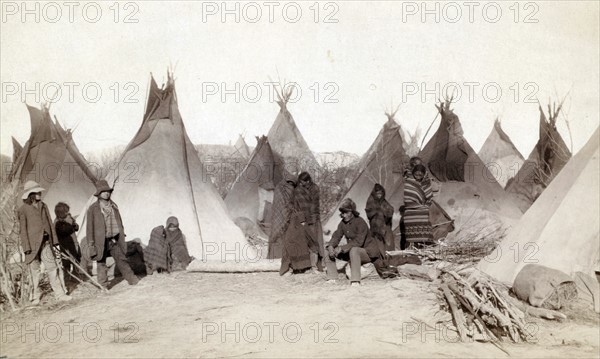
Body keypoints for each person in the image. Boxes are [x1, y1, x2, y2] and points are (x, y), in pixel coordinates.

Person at [18, 181, 71, 304]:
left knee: (52, 268)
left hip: (46, 243)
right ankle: (35, 297)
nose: (40, 193)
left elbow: (50, 225)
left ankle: (60, 294)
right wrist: (26, 247)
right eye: (37, 192)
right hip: (32, 246)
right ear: (31, 194)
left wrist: (55, 241)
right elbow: (23, 230)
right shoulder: (23, 210)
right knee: (34, 272)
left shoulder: (44, 206)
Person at [86, 180, 139, 289]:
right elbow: (89, 228)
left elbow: (119, 222)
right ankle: (103, 286)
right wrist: (91, 245)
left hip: (113, 240)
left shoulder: (114, 206)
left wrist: (121, 236)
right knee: (101, 263)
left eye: (108, 191)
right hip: (99, 241)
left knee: (121, 259)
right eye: (103, 191)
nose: (106, 193)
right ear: (99, 194)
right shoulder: (93, 209)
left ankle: (132, 279)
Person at [325, 198, 387, 286]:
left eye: (346, 212)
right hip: (351, 252)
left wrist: (341, 248)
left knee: (354, 250)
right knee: (327, 249)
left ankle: (355, 280)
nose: (343, 215)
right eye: (342, 213)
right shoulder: (342, 224)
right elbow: (336, 236)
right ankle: (332, 277)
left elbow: (358, 242)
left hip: (367, 253)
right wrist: (331, 246)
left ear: (352, 212)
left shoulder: (360, 222)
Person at [272, 173, 312, 275]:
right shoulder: (283, 189)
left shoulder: (285, 188)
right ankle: (290, 267)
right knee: (289, 241)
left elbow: (297, 206)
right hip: (285, 217)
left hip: (291, 218)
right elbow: (283, 206)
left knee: (296, 240)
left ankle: (299, 267)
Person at [292, 172, 325, 272]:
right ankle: (308, 266)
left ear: (308, 181)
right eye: (300, 182)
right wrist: (302, 219)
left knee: (316, 242)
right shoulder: (298, 190)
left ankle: (318, 265)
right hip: (303, 220)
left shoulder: (315, 188)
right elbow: (298, 207)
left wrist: (312, 218)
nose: (301, 184)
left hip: (314, 219)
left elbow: (314, 205)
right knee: (306, 243)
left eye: (303, 182)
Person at [402, 164, 434, 248]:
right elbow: (408, 196)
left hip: (422, 210)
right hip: (410, 210)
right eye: (416, 174)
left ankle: (423, 247)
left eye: (420, 175)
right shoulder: (409, 182)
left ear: (424, 174)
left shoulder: (426, 183)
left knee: (426, 216)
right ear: (413, 173)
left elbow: (429, 197)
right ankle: (413, 247)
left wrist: (425, 205)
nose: (418, 177)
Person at [54, 202, 81, 279]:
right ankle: (67, 278)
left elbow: (76, 228)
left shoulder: (69, 219)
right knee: (66, 262)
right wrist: (70, 222)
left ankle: (75, 277)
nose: (68, 213)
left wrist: (74, 224)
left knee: (77, 260)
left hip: (74, 243)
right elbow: (65, 230)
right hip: (65, 245)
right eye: (66, 211)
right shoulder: (57, 222)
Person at [365, 183, 395, 251]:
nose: (379, 195)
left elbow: (390, 210)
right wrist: (378, 211)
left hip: (385, 226)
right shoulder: (371, 201)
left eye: (380, 193)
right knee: (378, 247)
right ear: (374, 193)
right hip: (376, 228)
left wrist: (384, 211)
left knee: (388, 245)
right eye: (377, 193)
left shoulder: (384, 201)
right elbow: (369, 213)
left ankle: (389, 256)